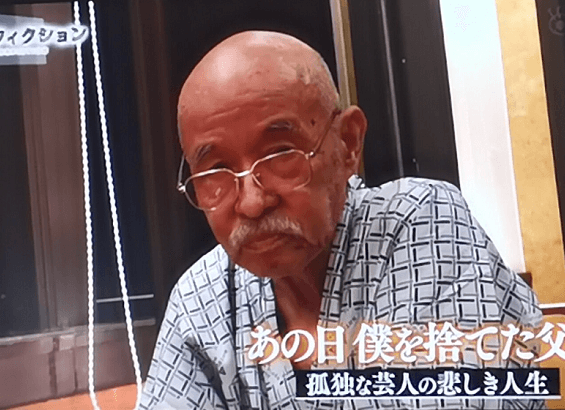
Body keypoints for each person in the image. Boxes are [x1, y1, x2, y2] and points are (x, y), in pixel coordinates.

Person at [139, 30, 544, 409]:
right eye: (216, 171)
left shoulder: (422, 224)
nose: (251, 203)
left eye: (281, 154)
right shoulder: (201, 298)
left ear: (348, 142)